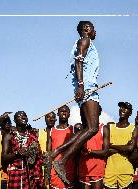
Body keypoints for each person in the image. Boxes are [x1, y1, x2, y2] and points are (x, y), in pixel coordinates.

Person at [52, 21, 101, 184]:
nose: (95, 31)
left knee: (88, 128)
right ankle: (62, 160)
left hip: (84, 87)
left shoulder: (82, 42)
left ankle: (58, 151)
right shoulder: (85, 40)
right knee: (93, 128)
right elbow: (78, 61)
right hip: (87, 87)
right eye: (93, 28)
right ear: (87, 29)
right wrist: (81, 85)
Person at [2, 111, 43, 189]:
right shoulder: (9, 136)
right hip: (15, 175)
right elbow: (4, 157)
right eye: (20, 116)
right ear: (14, 121)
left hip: (31, 176)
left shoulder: (33, 136)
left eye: (25, 116)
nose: (23, 117)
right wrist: (17, 153)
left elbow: (38, 156)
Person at [103, 102, 138, 189]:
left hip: (126, 170)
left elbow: (130, 149)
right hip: (109, 170)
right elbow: (105, 150)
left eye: (125, 108)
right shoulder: (110, 127)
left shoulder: (134, 128)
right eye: (121, 107)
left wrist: (113, 146)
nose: (122, 109)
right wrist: (123, 147)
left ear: (130, 113)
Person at [78, 105, 106, 189]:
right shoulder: (82, 129)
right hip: (84, 169)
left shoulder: (103, 128)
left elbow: (105, 152)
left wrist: (89, 151)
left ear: (99, 113)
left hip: (97, 170)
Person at [50, 105, 75, 189]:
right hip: (55, 169)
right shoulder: (51, 131)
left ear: (69, 114)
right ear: (57, 114)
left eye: (66, 111)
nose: (64, 113)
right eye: (61, 111)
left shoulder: (73, 130)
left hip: (69, 168)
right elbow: (49, 153)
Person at [38, 112, 56, 188]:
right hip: (41, 170)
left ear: (56, 119)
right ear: (45, 119)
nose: (50, 119)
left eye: (52, 117)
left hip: (55, 169)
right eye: (48, 117)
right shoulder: (38, 133)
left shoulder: (58, 132)